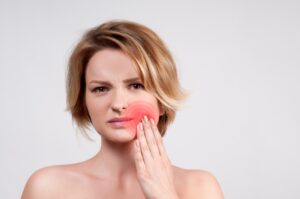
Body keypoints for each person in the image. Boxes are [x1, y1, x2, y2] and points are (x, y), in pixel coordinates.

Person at [21, 20, 224, 199]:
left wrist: (164, 195)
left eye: (136, 86)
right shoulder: (46, 188)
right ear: (84, 101)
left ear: (161, 101)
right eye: (101, 89)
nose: (118, 104)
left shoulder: (200, 188)